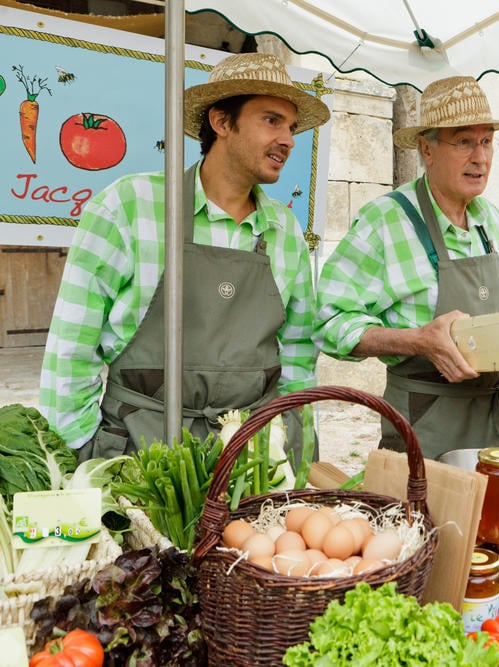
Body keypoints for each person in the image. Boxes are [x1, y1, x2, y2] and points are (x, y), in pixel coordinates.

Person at [39, 52, 330, 462]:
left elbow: (298, 356)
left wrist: (299, 452)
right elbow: (72, 348)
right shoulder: (129, 205)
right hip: (139, 450)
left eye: (291, 126)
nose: (288, 139)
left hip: (248, 458)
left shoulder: (284, 230)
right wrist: (79, 452)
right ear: (221, 122)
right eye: (271, 120)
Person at [314, 76, 499, 460]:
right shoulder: (385, 221)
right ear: (427, 149)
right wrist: (416, 340)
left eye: (487, 141)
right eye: (464, 142)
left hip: (492, 421)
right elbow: (327, 322)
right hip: (423, 426)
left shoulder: (489, 218)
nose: (481, 157)